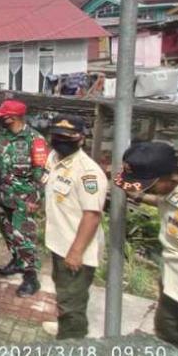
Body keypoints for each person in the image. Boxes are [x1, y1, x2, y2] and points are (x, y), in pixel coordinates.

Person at [116, 142, 178, 352]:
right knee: (166, 337)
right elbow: (166, 200)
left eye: (147, 185)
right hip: (172, 278)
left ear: (171, 178)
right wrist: (139, 195)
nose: (142, 188)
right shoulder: (175, 185)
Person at [42, 115, 107, 339]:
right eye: (57, 136)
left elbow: (92, 215)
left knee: (72, 306)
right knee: (63, 294)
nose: (60, 141)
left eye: (67, 137)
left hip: (75, 250)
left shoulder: (88, 172)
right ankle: (64, 329)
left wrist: (76, 252)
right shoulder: (54, 158)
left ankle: (71, 353)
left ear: (81, 139)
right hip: (59, 243)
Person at [0, 99, 47, 297]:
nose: (0, 119)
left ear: (11, 117)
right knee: (8, 233)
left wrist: (35, 199)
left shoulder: (35, 140)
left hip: (24, 200)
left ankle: (31, 277)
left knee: (25, 238)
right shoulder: (3, 138)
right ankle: (16, 261)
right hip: (4, 196)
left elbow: (42, 174)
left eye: (3, 116)